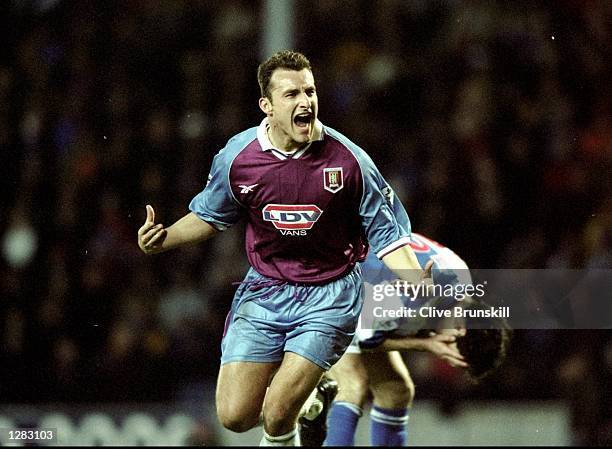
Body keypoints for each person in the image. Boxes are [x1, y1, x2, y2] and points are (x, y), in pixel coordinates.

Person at [137, 50, 431, 446]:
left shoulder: (350, 163)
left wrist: (416, 280)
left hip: (330, 296)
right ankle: (312, 401)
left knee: (277, 415)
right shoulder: (238, 159)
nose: (305, 101)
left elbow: (388, 234)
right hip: (265, 289)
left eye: (309, 91)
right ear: (267, 106)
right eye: (291, 94)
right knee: (235, 416)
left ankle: (293, 415)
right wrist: (164, 238)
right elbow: (212, 215)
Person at [321, 233, 512, 446]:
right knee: (352, 384)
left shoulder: (460, 276)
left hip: (355, 276)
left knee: (396, 391)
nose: (443, 356)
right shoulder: (406, 300)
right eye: (449, 352)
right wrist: (422, 344)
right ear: (460, 330)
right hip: (320, 281)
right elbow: (357, 339)